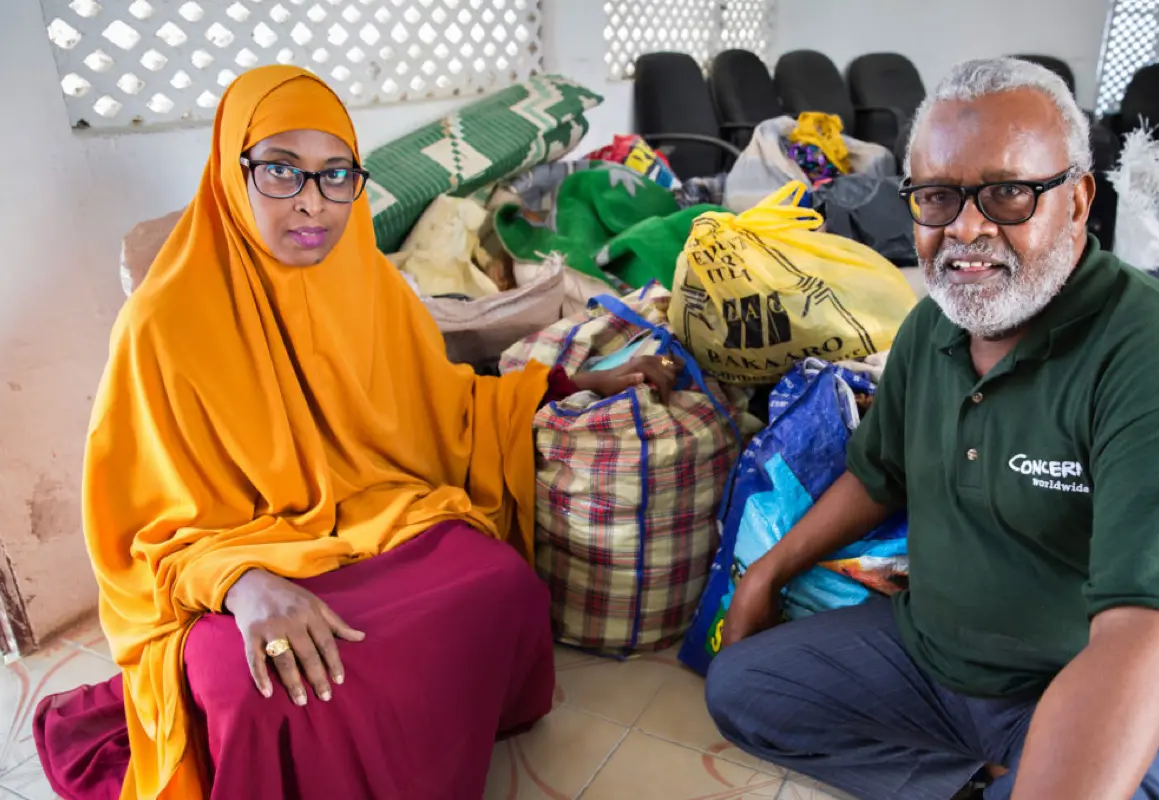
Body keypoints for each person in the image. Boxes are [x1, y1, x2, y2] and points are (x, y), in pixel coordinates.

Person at [33, 65, 681, 800]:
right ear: (230, 173)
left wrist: (571, 384)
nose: (314, 203)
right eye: (281, 170)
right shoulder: (159, 325)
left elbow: (445, 407)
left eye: (336, 174)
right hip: (237, 559)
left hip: (374, 517)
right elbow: (138, 536)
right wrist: (243, 585)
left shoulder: (369, 285)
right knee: (261, 685)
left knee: (501, 584)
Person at [704, 57, 1159, 800]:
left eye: (1007, 193)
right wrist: (767, 574)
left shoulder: (1154, 348)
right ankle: (974, 783)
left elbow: (1144, 632)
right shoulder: (933, 327)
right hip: (938, 659)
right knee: (742, 688)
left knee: (1133, 783)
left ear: (1079, 199)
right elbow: (878, 475)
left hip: (1098, 669)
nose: (966, 228)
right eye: (937, 197)